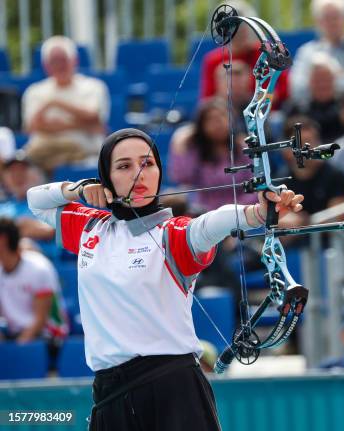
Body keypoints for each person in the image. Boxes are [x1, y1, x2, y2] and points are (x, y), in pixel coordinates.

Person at [26, 127, 303, 430]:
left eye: (148, 164)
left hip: (172, 388)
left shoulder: (174, 235)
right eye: (124, 166)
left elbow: (212, 222)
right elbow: (35, 200)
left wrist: (257, 213)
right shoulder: (90, 227)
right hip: (110, 392)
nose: (138, 175)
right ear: (106, 178)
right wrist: (78, 190)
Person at [22, 36, 110, 175]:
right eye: (54, 61)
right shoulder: (34, 91)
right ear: (46, 65)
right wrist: (80, 123)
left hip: (84, 153)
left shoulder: (94, 87)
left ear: (74, 60)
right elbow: (32, 126)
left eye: (63, 59)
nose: (59, 65)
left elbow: (94, 117)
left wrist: (55, 103)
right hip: (43, 153)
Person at [168, 99, 257, 214]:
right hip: (203, 214)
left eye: (222, 117)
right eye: (210, 119)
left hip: (242, 212)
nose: (217, 123)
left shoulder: (243, 147)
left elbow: (256, 185)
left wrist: (234, 209)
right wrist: (180, 145)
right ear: (201, 125)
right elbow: (182, 177)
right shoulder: (196, 150)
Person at [199, 1, 289, 109]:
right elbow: (208, 99)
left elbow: (284, 89)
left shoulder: (266, 52)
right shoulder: (213, 60)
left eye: (243, 26)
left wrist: (261, 99)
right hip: (227, 116)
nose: (239, 32)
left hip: (266, 114)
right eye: (233, 28)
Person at [290, 0, 344, 103]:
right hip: (314, 111)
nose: (332, 23)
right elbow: (297, 88)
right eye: (326, 18)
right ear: (318, 21)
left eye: (336, 17)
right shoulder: (306, 51)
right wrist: (340, 75)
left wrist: (318, 82)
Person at [0, 217, 67, 344]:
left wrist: (15, 350)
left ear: (2, 240)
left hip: (47, 337)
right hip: (16, 336)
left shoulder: (38, 268)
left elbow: (40, 320)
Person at [285, 53, 344, 143]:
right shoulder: (297, 108)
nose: (322, 85)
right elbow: (286, 141)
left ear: (334, 80)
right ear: (309, 82)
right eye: (317, 80)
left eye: (326, 79)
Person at [0, 152, 55, 246]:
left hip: (42, 257)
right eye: (12, 171)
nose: (17, 175)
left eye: (23, 170)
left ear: (37, 174)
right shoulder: (2, 207)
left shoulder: (51, 202)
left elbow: (49, 231)